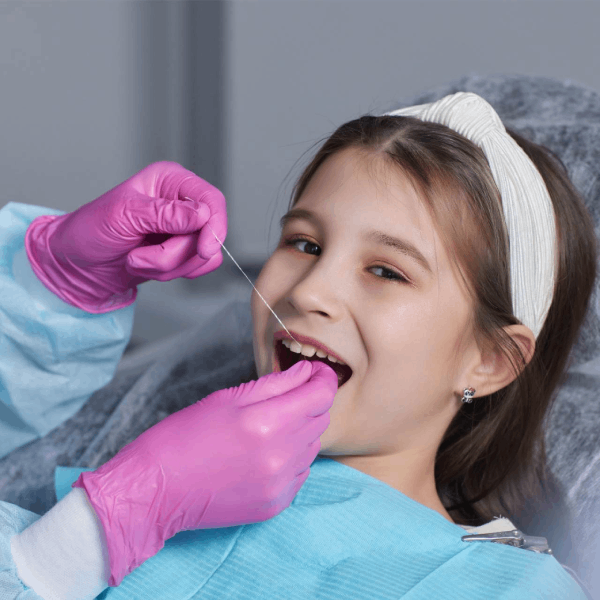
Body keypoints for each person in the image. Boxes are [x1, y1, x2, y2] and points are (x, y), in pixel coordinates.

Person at [0, 92, 595, 599]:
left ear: (490, 360)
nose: (311, 290)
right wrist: (51, 283)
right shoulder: (144, 486)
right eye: (305, 244)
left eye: (387, 271)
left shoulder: (503, 588)